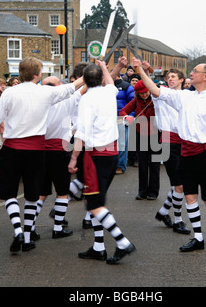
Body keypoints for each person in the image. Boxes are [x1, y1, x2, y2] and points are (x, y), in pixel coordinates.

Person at [134, 58, 206, 252]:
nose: (191, 74)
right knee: (189, 195)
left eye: (195, 71)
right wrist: (141, 70)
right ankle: (198, 237)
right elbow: (156, 90)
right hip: (186, 152)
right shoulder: (184, 96)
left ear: (205, 76)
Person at [0, 57, 84, 253]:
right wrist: (89, 74)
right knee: (32, 195)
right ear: (37, 74)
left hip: (12, 148)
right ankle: (27, 238)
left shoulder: (9, 93)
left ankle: (18, 230)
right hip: (36, 150)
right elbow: (72, 87)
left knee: (9, 193)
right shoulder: (45, 93)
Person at [69, 61, 136, 264]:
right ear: (99, 79)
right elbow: (110, 82)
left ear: (84, 81)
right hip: (110, 153)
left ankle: (122, 242)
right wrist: (105, 68)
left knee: (95, 204)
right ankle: (99, 247)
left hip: (96, 156)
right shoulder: (109, 92)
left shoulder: (87, 100)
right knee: (92, 202)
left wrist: (73, 158)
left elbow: (81, 132)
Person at [37, 75, 82, 240]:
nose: (62, 85)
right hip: (59, 150)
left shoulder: (37, 103)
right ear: (55, 88)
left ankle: (29, 227)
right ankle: (57, 228)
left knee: (41, 192)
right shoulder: (67, 101)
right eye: (59, 83)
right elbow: (86, 86)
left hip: (40, 151)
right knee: (62, 192)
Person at [153, 68, 190, 234]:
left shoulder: (187, 96)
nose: (170, 79)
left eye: (173, 77)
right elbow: (149, 87)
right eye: (168, 77)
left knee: (181, 182)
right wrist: (143, 71)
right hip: (168, 142)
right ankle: (178, 221)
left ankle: (163, 212)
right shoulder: (161, 94)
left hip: (184, 142)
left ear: (181, 80)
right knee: (179, 184)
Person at [119, 79, 160, 200]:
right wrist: (127, 117)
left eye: (146, 92)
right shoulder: (136, 101)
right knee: (142, 164)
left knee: (154, 164)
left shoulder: (156, 100)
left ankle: (153, 192)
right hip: (140, 134)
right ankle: (142, 191)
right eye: (141, 93)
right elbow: (123, 111)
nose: (144, 95)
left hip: (155, 134)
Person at [115, 74, 135, 174]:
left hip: (120, 118)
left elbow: (132, 102)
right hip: (108, 118)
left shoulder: (126, 86)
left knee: (122, 143)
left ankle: (120, 165)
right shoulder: (105, 86)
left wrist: (129, 117)